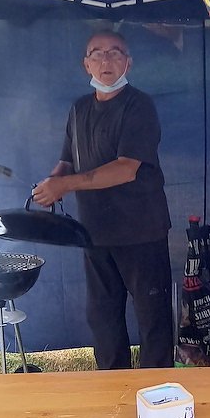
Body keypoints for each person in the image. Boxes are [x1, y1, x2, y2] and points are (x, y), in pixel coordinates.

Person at [33, 30, 173, 370]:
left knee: (152, 317)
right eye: (96, 53)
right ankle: (113, 386)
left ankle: (156, 389)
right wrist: (51, 183)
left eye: (114, 53)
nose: (105, 60)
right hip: (94, 232)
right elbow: (68, 160)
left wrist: (64, 185)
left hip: (142, 232)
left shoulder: (139, 106)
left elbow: (126, 169)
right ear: (86, 64)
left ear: (128, 62)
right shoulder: (79, 109)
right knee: (102, 316)